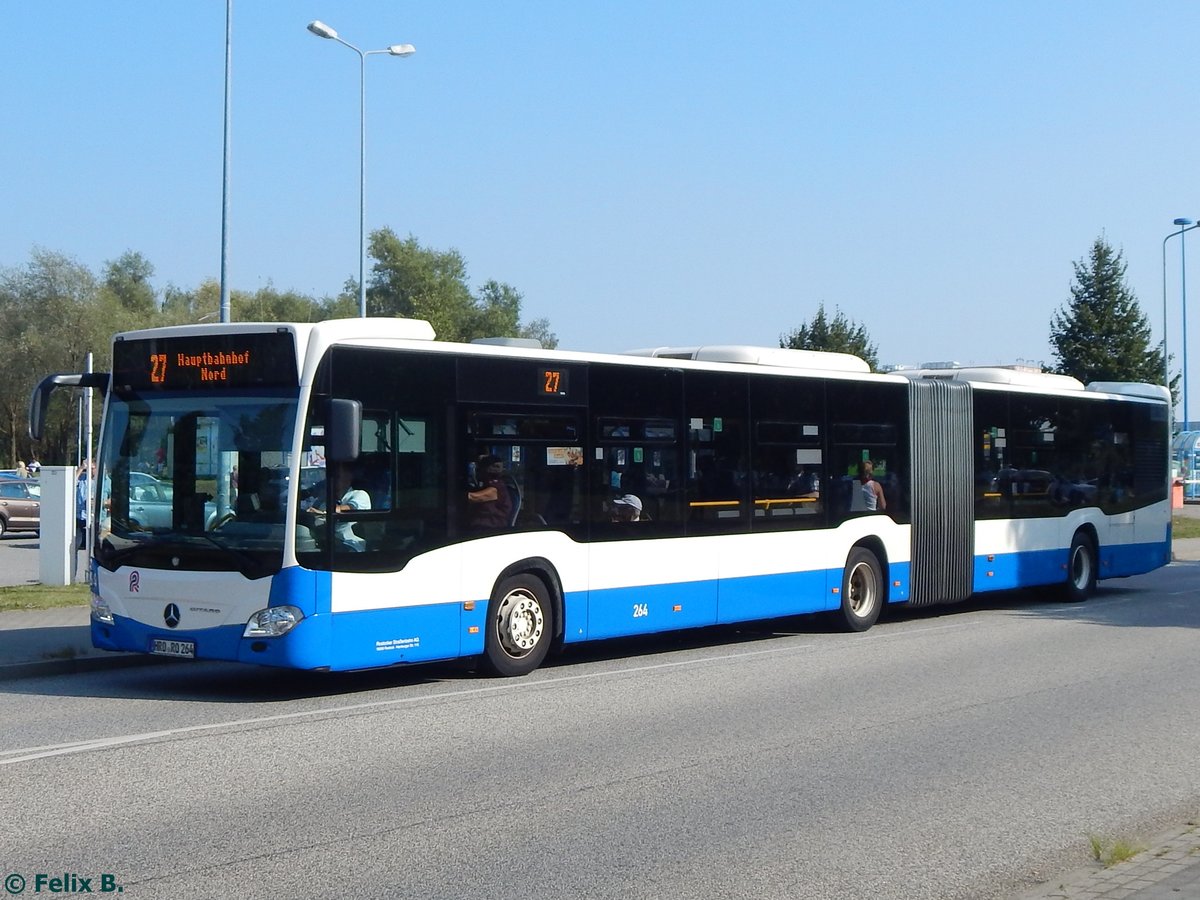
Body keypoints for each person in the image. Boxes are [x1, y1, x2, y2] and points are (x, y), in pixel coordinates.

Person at [308, 462, 371, 551]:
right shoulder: (324, 500)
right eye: (331, 476)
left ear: (349, 476)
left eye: (337, 476)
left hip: (350, 544)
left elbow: (350, 508)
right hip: (324, 541)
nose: (333, 480)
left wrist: (323, 513)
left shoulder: (359, 495)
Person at [467, 455, 513, 529]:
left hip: (491, 527)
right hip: (479, 524)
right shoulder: (485, 484)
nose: (497, 470)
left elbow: (474, 497)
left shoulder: (497, 486)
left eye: (497, 467)